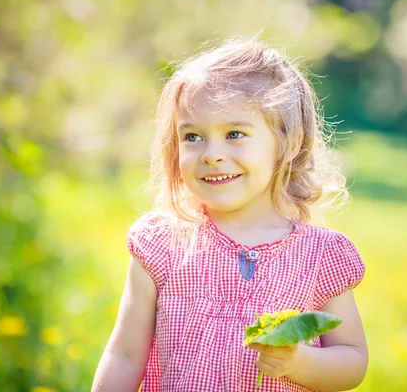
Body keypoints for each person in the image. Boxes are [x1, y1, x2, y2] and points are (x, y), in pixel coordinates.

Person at [91, 36, 368, 392]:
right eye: (192, 137)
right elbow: (125, 356)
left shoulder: (321, 256)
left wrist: (301, 363)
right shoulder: (162, 246)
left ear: (289, 142)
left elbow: (352, 360)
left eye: (234, 133)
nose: (211, 154)